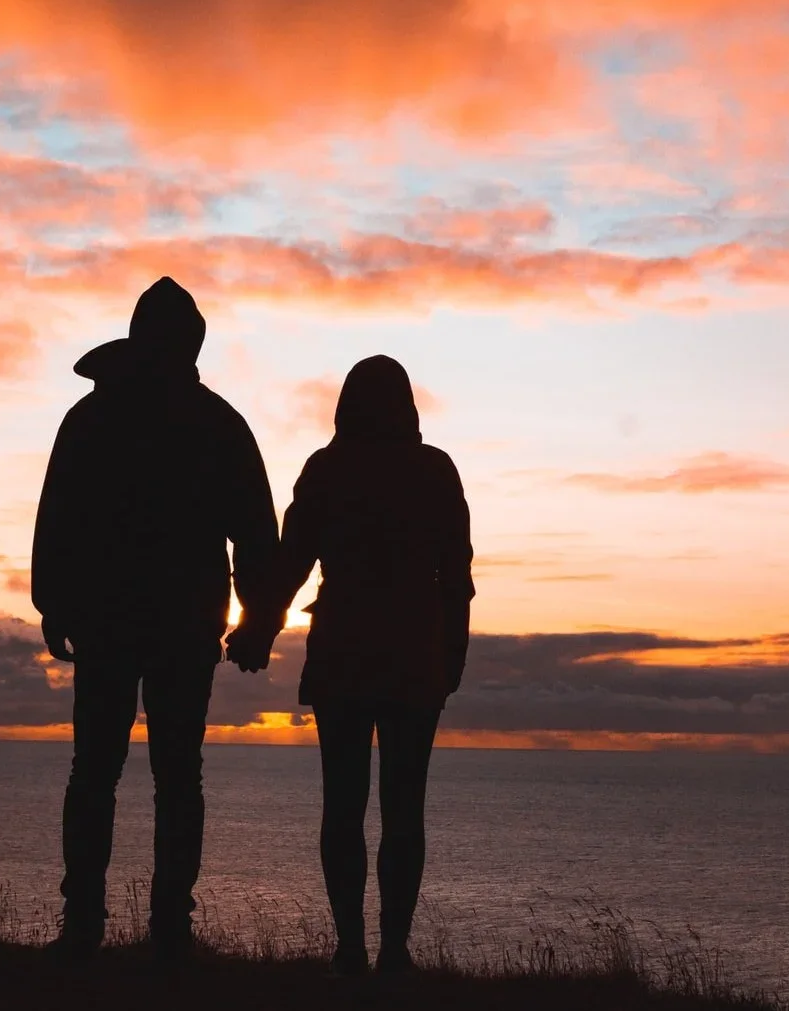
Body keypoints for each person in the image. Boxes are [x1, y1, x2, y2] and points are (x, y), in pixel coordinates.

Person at [32, 276, 281, 961]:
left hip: (123, 617)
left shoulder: (95, 418)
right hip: (173, 619)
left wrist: (53, 598)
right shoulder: (214, 421)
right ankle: (159, 924)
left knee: (101, 772)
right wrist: (257, 619)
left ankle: (95, 923)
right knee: (169, 775)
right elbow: (256, 532)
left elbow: (58, 515)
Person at [228, 354, 473, 976]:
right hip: (416, 656)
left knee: (343, 805)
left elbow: (290, 565)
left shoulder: (327, 468)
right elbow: (457, 579)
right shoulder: (435, 470)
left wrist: (257, 630)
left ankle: (352, 948)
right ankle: (391, 951)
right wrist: (452, 657)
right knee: (403, 808)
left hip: (344, 652)